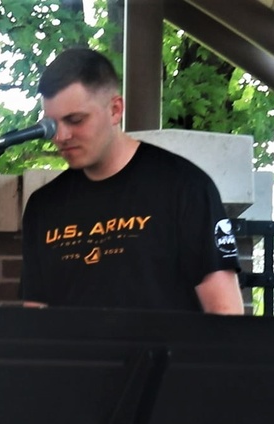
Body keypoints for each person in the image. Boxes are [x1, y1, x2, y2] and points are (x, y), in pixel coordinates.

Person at [21, 47, 245, 315]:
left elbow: (225, 313)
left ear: (115, 109)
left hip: (163, 356)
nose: (61, 136)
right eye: (52, 125)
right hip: (72, 358)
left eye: (76, 120)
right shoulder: (44, 205)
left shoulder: (186, 187)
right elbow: (34, 319)